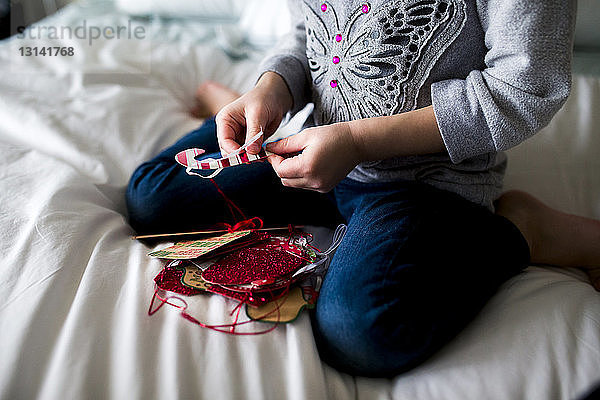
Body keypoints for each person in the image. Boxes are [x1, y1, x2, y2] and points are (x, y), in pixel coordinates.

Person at [127, 0, 599, 377]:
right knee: (152, 198)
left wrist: (356, 141)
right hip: (309, 147)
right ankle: (236, 105)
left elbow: (523, 88)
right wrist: (272, 88)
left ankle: (523, 229)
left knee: (360, 333)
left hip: (426, 184)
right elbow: (308, 36)